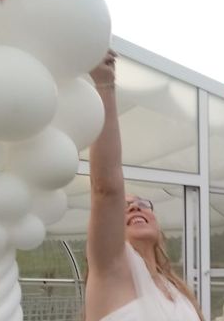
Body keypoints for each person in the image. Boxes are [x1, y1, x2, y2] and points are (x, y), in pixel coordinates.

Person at [84, 51, 203, 321]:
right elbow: (106, 189)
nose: (135, 207)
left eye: (142, 204)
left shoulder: (175, 288)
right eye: (124, 208)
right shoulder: (112, 270)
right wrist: (105, 85)